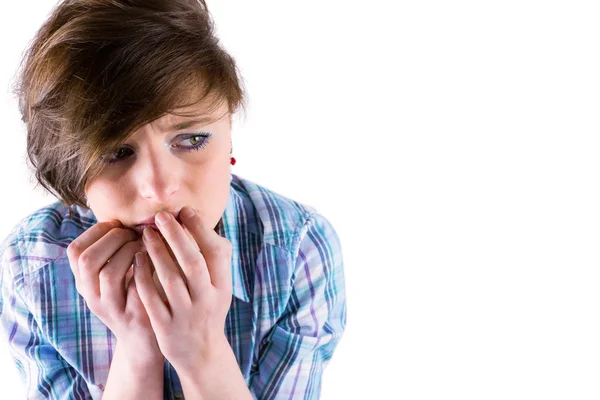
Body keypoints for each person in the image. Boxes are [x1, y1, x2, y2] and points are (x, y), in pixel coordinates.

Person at [0, 0, 346, 398]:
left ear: (229, 129)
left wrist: (201, 351)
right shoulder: (32, 265)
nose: (159, 188)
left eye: (192, 139)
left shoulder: (296, 251)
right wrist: (136, 347)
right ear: (72, 173)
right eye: (115, 152)